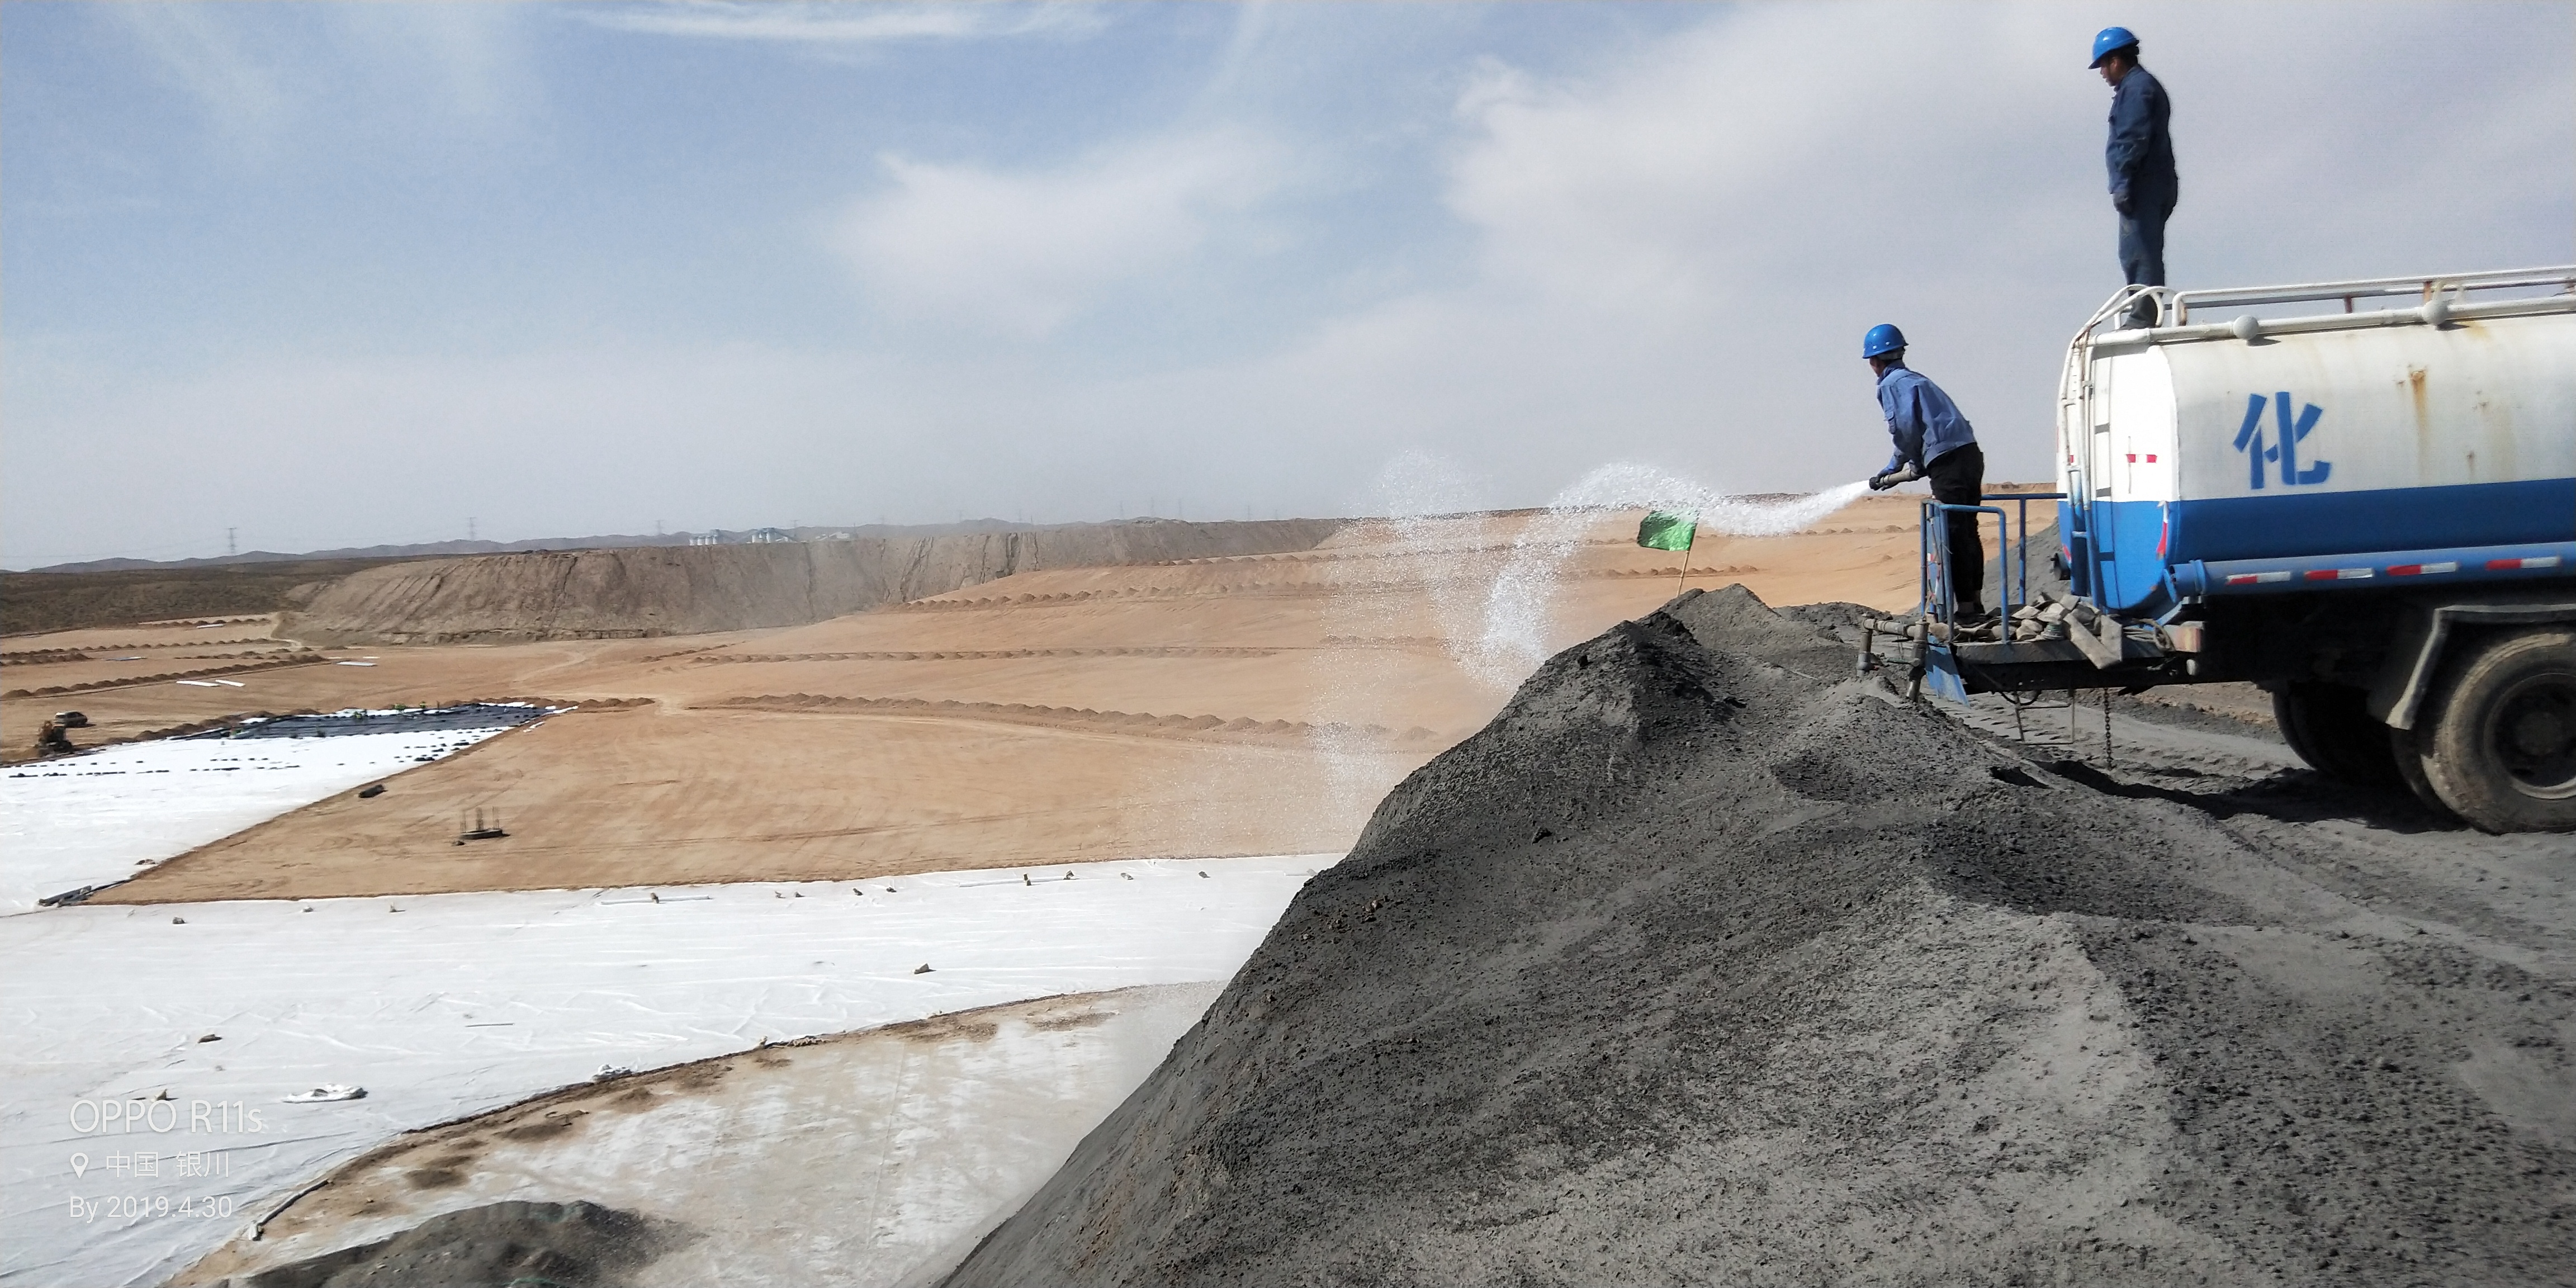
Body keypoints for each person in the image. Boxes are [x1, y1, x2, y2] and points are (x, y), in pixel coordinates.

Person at [1862, 324, 1988, 622]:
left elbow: (1905, 429)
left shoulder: (1890, 385)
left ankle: (1967, 612)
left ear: (1875, 361)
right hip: (1969, 454)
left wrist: (1900, 465)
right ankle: (1975, 604)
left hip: (1947, 462)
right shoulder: (1917, 379)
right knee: (1968, 529)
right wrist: (1911, 462)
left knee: (1952, 533)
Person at [2093, 26, 2176, 326]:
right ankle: (2144, 310)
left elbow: (2131, 139)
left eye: (2103, 64)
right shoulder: (2140, 87)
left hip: (2143, 185)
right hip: (2152, 183)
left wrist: (2124, 181)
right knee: (2140, 249)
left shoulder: (2137, 89)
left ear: (2117, 60)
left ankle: (2144, 314)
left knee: (2138, 251)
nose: (2102, 72)